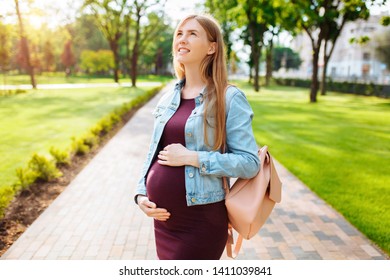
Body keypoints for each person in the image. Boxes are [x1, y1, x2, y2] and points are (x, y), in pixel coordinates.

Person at [134, 14, 260, 260]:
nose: (182, 39)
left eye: (192, 34)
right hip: (164, 223)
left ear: (212, 47)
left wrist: (193, 157)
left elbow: (249, 163)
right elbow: (153, 152)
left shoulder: (229, 98)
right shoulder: (168, 97)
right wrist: (140, 194)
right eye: (179, 33)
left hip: (200, 222)